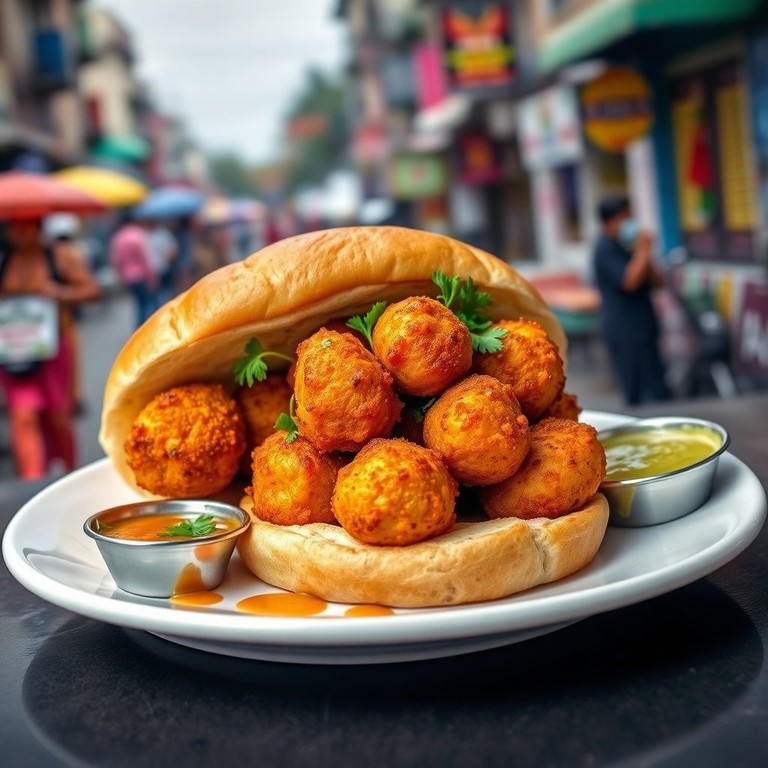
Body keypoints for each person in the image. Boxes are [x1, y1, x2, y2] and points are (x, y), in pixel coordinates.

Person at [0, 218, 101, 479]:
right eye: (14, 226)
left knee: (58, 416)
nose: (19, 232)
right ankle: (32, 480)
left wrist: (59, 292)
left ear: (38, 226)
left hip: (54, 349)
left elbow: (93, 290)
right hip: (14, 353)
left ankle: (69, 474)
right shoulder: (4, 261)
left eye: (26, 225)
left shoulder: (60, 257)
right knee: (24, 415)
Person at [592, 196, 672, 406]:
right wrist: (643, 250)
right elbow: (629, 282)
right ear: (609, 222)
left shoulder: (629, 247)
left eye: (630, 218)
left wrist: (644, 254)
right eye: (624, 219)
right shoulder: (605, 249)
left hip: (643, 326)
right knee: (635, 393)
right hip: (625, 332)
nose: (630, 224)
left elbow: (657, 282)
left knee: (659, 388)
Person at [108, 215, 157, 328]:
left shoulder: (118, 238)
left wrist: (120, 277)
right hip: (141, 276)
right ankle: (145, 328)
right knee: (146, 303)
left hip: (128, 277)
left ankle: (139, 328)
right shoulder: (138, 235)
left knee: (138, 303)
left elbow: (116, 261)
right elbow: (144, 258)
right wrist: (151, 277)